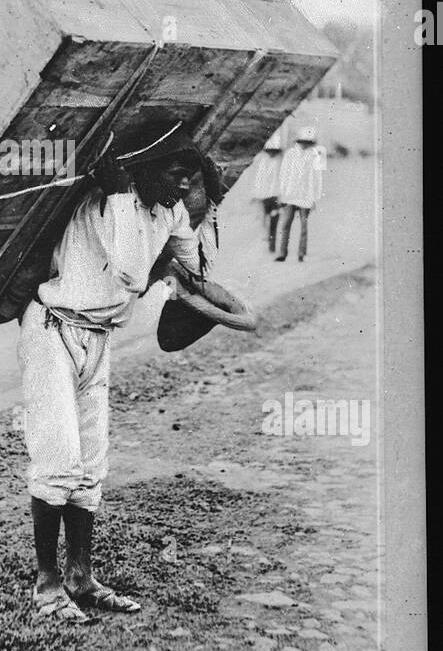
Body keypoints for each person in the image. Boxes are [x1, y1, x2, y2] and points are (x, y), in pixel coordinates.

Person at [17, 128, 224, 624]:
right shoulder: (112, 202)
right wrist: (117, 191)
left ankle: (80, 577)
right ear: (149, 169)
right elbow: (133, 270)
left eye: (187, 180)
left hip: (98, 338)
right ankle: (47, 587)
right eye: (175, 176)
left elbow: (192, 260)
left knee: (90, 467)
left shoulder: (166, 209)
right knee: (58, 458)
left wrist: (193, 276)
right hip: (54, 331)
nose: (181, 189)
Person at [274, 126, 325, 263]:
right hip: (290, 194)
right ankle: (282, 253)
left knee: (304, 225)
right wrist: (281, 193)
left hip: (306, 195)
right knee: (285, 224)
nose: (305, 145)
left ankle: (301, 253)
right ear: (298, 141)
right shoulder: (290, 154)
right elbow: (283, 174)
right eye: (302, 141)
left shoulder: (315, 155)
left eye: (308, 142)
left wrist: (315, 197)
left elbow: (318, 178)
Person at [251, 131, 283, 252]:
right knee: (263, 221)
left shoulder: (279, 162)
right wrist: (256, 194)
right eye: (270, 151)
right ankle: (269, 240)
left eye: (274, 151)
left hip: (275, 196)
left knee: (274, 219)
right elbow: (258, 178)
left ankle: (272, 244)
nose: (271, 154)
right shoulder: (262, 161)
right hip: (264, 196)